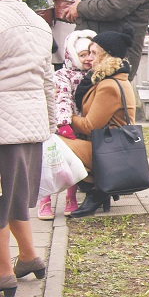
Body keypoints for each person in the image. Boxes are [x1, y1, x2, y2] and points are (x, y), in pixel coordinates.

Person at [0, 0, 54, 297]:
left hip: (3, 121)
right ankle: (30, 257)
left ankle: (3, 272)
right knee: (14, 198)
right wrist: (49, 122)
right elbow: (48, 78)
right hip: (30, 122)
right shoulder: (38, 22)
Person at [63, 29, 138, 217]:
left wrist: (67, 117)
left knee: (53, 144)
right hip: (106, 147)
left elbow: (90, 126)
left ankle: (95, 188)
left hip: (109, 152)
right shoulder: (106, 79)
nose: (89, 58)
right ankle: (98, 190)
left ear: (107, 57)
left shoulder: (109, 85)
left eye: (94, 53)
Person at [36, 29, 95, 219]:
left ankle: (71, 198)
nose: (86, 59)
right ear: (72, 55)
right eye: (82, 55)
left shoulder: (93, 75)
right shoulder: (63, 75)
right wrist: (63, 122)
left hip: (81, 126)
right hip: (62, 127)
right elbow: (62, 98)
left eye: (90, 54)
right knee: (52, 163)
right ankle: (45, 200)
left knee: (73, 165)